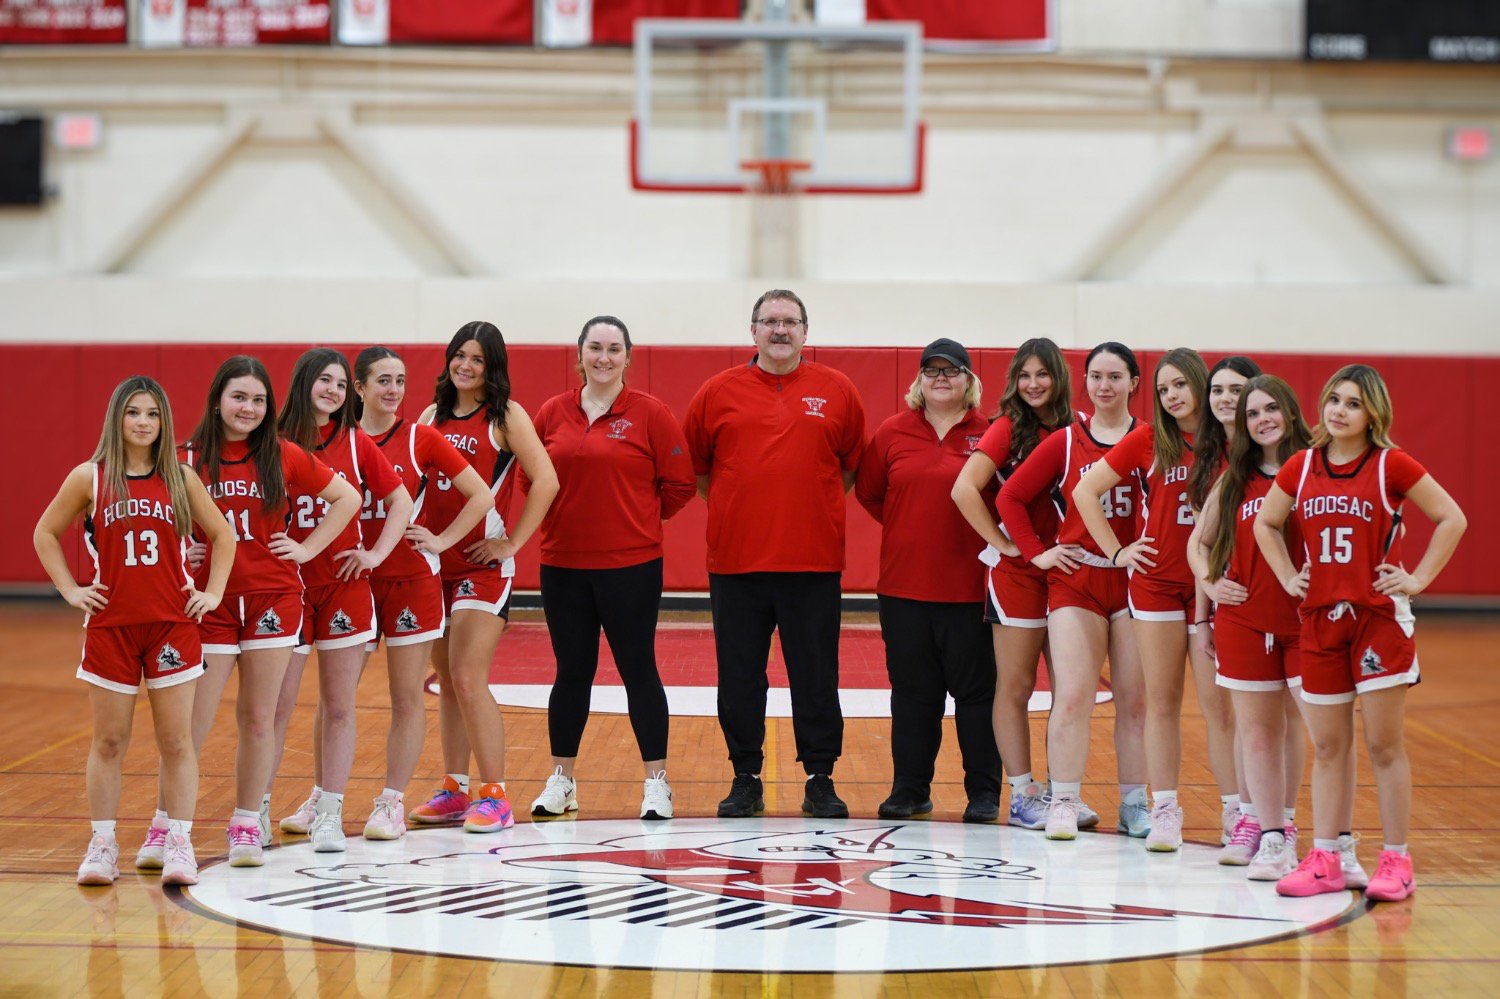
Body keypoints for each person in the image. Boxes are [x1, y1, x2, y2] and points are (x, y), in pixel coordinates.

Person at [1257, 364, 1465, 902]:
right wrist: (1288, 575)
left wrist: (1418, 578)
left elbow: (1452, 518)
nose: (1339, 411)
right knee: (1329, 745)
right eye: (1334, 400)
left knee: (1382, 745)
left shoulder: (1392, 464)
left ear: (1373, 413)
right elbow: (1265, 523)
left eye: (1352, 403)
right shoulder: (1302, 465)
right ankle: (1326, 858)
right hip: (1320, 620)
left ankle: (1397, 860)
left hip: (1377, 622)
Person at [34, 377, 235, 887]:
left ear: (164, 422)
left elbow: (223, 535)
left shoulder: (180, 477)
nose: (143, 422)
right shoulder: (90, 477)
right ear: (116, 419)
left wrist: (212, 593)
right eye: (133, 412)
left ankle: (179, 843)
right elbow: (45, 532)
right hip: (111, 627)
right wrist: (70, 589)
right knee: (108, 740)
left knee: (176, 740)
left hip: (172, 626)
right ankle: (102, 845)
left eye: (152, 413)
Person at [683, 289, 866, 818]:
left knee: (816, 676)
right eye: (770, 321)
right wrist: (739, 503)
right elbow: (698, 471)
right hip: (736, 564)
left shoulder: (838, 390)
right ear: (753, 331)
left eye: (790, 321)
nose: (780, 330)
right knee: (740, 677)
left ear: (806, 332)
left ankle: (820, 778)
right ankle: (746, 777)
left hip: (813, 563)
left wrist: (809, 504)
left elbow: (850, 468)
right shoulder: (716, 392)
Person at [177, 355, 361, 867]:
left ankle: (244, 824)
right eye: (239, 397)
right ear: (217, 400)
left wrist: (307, 548)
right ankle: (172, 830)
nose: (249, 408)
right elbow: (156, 519)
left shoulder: (282, 453)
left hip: (271, 600)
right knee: (191, 725)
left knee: (259, 718)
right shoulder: (186, 459)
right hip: (210, 601)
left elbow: (346, 498)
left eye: (259, 400)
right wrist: (184, 549)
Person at [527, 316, 696, 821]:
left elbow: (681, 485)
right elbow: (531, 480)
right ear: (579, 354)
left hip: (632, 567)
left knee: (638, 669)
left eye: (614, 349)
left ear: (628, 357)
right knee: (571, 672)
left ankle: (657, 783)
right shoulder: (550, 413)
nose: (604, 357)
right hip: (563, 565)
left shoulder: (651, 413)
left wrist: (636, 519)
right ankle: (562, 780)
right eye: (595, 348)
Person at [1074, 347, 1238, 852]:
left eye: (1180, 385)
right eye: (1163, 389)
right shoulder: (1149, 439)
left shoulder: (1230, 440)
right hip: (1156, 585)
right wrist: (1118, 551)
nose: (1171, 396)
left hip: (1212, 586)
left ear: (1200, 385)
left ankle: (1237, 813)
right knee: (1161, 702)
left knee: (1218, 707)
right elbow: (1084, 492)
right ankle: (1164, 808)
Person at [407, 321, 559, 833]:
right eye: (459, 355)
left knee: (468, 676)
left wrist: (511, 542)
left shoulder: (506, 415)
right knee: (447, 681)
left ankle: (495, 795)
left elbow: (547, 479)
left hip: (482, 566)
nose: (466, 366)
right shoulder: (430, 416)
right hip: (435, 564)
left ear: (492, 366)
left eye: (477, 358)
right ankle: (455, 789)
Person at [995, 342, 1148, 841]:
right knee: (1074, 695)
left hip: (1133, 583)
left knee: (1134, 701)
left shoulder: (1152, 440)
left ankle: (1135, 805)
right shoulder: (1065, 441)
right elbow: (1010, 496)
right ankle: (1063, 801)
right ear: (1084, 382)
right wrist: (1035, 553)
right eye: (1096, 376)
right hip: (1078, 579)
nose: (1104, 386)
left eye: (1115, 377)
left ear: (1134, 383)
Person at [268, 348, 412, 853]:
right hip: (285, 588)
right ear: (303, 382)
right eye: (323, 381)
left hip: (342, 588)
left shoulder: (355, 441)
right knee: (275, 708)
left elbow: (400, 501)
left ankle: (329, 814)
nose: (331, 391)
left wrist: (374, 554)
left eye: (339, 383)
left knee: (338, 707)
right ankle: (256, 811)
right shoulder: (272, 442)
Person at [350, 345, 493, 841]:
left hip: (410, 580)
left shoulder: (420, 437)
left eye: (400, 380)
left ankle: (392, 803)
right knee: (336, 699)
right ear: (359, 388)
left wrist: (442, 540)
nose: (393, 390)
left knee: (406, 695)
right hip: (351, 580)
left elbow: (481, 494)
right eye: (382, 381)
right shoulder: (336, 441)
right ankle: (323, 799)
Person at [857, 339, 1003, 822]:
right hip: (903, 590)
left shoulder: (991, 434)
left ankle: (983, 793)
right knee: (913, 696)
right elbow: (872, 495)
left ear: (969, 380)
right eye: (932, 370)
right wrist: (912, 527)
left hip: (971, 591)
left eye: (951, 370)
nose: (941, 378)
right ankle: (910, 790)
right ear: (919, 380)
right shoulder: (892, 432)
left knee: (976, 697)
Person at [1189, 375, 1321, 879]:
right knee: (1258, 734)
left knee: (1320, 734)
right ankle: (1269, 835)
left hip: (1307, 623)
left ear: (1290, 411)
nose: (1263, 420)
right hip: (1245, 622)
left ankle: (1308, 833)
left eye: (1271, 409)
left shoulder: (1316, 469)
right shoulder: (1234, 480)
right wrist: (1210, 586)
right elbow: (1199, 544)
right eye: (1252, 414)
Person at [952, 337, 1082, 830]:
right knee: (1017, 685)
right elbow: (964, 489)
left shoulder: (1079, 428)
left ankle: (1063, 792)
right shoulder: (1007, 428)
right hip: (1020, 575)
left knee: (1069, 687)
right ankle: (1023, 793)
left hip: (1071, 570)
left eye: (1042, 374)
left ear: (1059, 377)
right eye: (1024, 375)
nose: (1033, 384)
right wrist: (1003, 544)